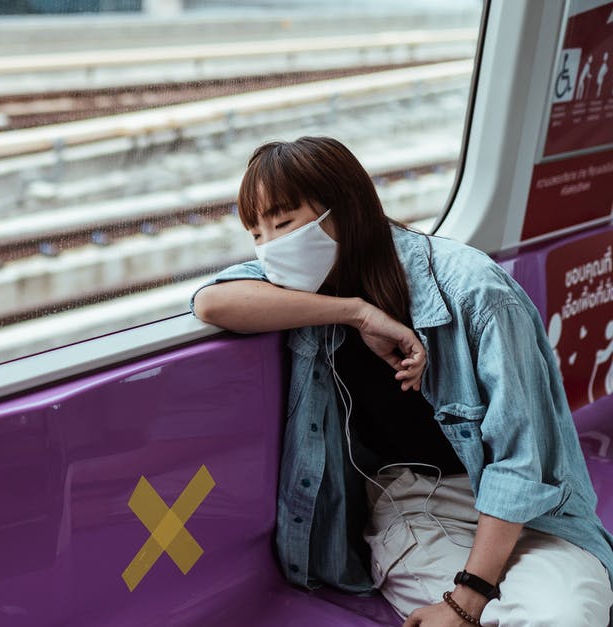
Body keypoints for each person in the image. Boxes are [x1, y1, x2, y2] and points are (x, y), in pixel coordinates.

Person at [190, 137, 613, 626]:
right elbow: (212, 302)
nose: (270, 248)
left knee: (564, 616)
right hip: (413, 504)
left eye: (284, 224)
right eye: (257, 234)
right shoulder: (310, 292)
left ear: (344, 212)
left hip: (530, 517)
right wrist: (356, 313)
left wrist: (467, 598)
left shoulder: (476, 292)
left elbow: (521, 463)